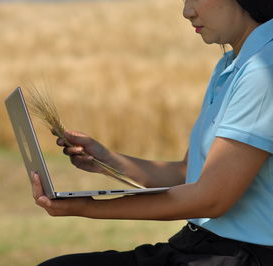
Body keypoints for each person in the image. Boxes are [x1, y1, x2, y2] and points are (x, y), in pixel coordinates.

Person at [31, 0, 273, 265]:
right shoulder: (233, 63)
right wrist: (108, 160)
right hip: (202, 244)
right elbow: (187, 173)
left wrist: (87, 207)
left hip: (243, 255)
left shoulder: (264, 69)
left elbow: (211, 199)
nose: (187, 12)